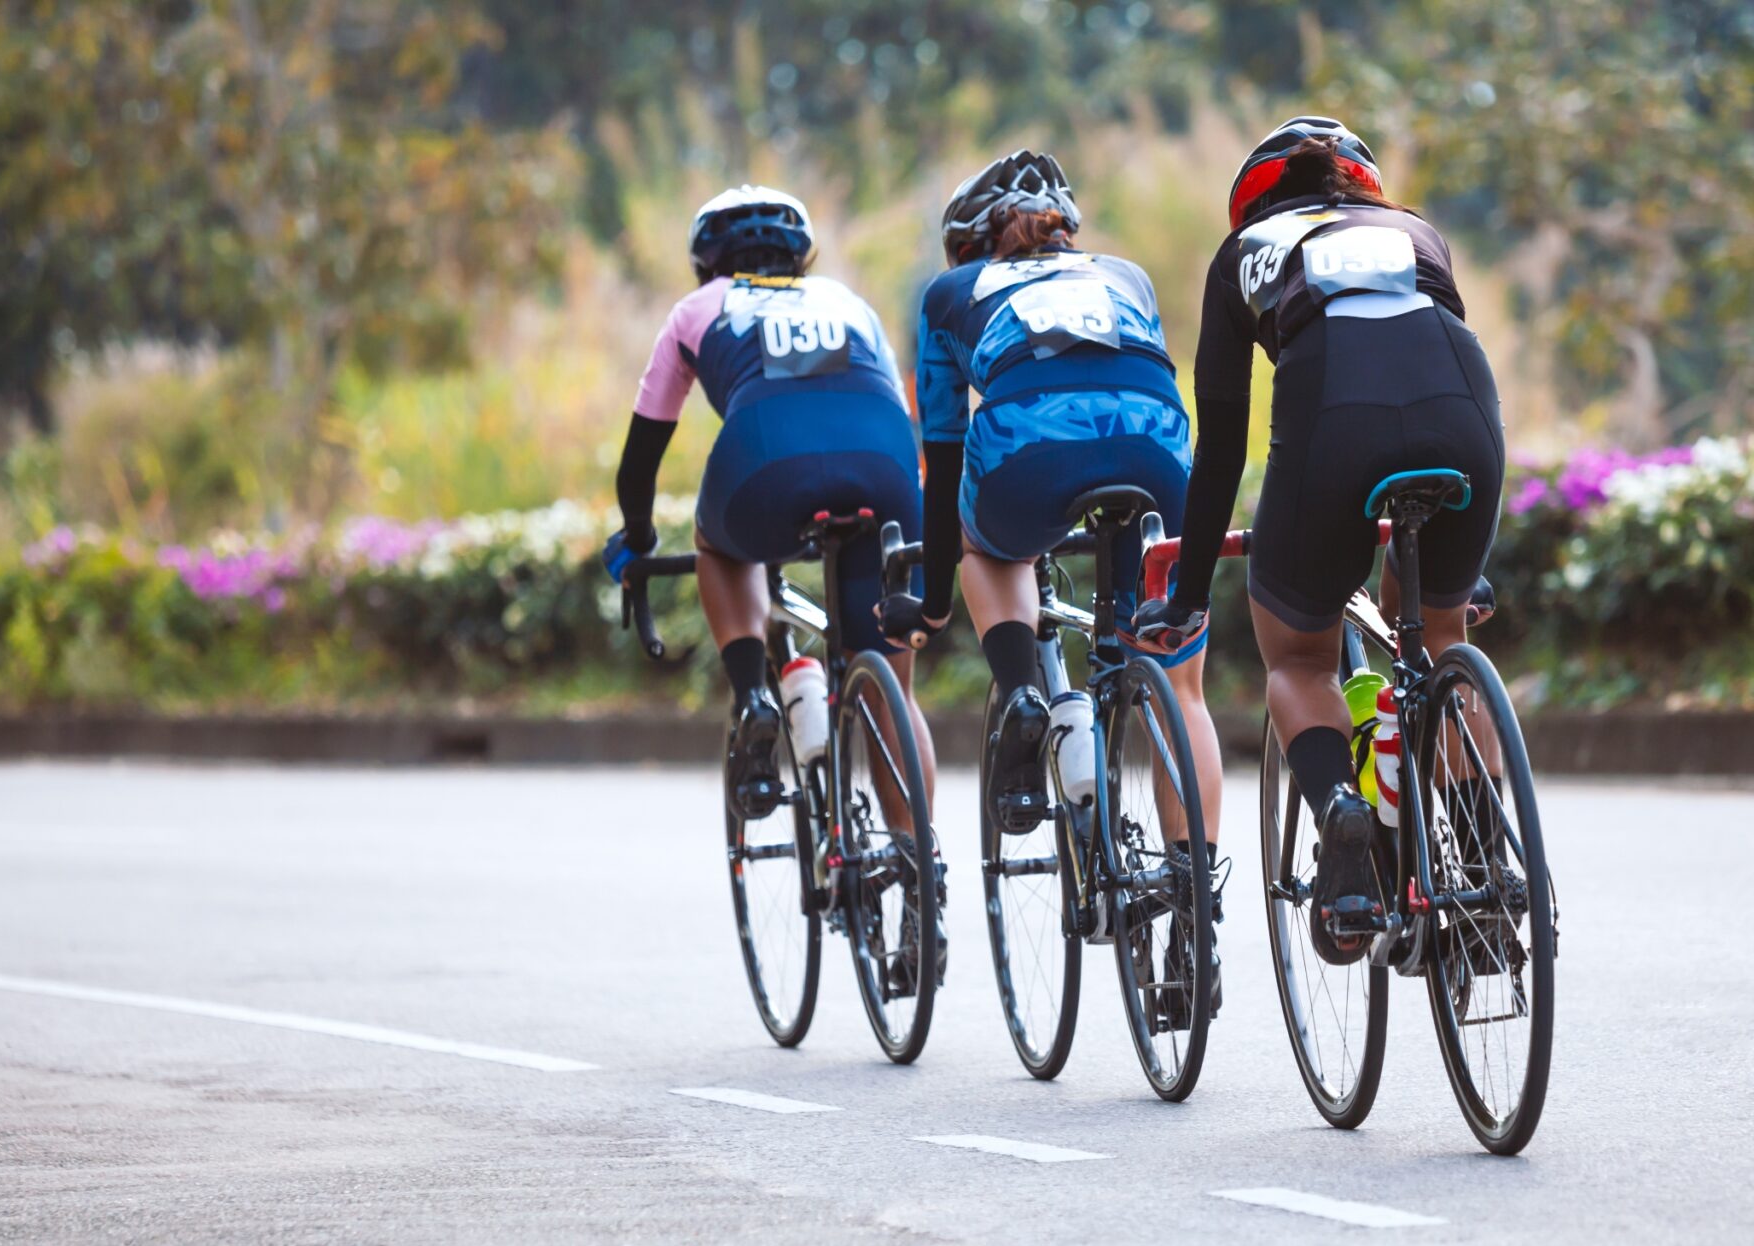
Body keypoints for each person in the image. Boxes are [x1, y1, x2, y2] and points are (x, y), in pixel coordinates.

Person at [1131, 116, 1506, 963]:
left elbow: (1221, 445)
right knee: (1438, 634)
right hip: (1465, 414)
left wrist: (1189, 596)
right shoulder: (1416, 230)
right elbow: (1437, 366)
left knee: (1299, 657)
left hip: (1333, 419)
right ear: (1362, 184)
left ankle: (1339, 806)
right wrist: (1470, 569)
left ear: (1252, 199)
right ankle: (1490, 870)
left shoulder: (1243, 255)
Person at [891, 150, 1225, 984]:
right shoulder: (1128, 276)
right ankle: (1195, 925)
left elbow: (939, 456)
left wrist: (933, 601)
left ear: (970, 245)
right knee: (1180, 689)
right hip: (1158, 451)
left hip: (1028, 453)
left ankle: (1026, 693)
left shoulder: (949, 295)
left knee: (986, 543)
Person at [603, 185, 937, 822]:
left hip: (764, 466)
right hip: (885, 465)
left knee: (720, 548)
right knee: (894, 691)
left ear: (708, 262)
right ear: (801, 257)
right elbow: (895, 408)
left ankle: (754, 693)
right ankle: (919, 864)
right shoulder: (848, 302)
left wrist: (638, 537)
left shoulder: (696, 310)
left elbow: (640, 459)